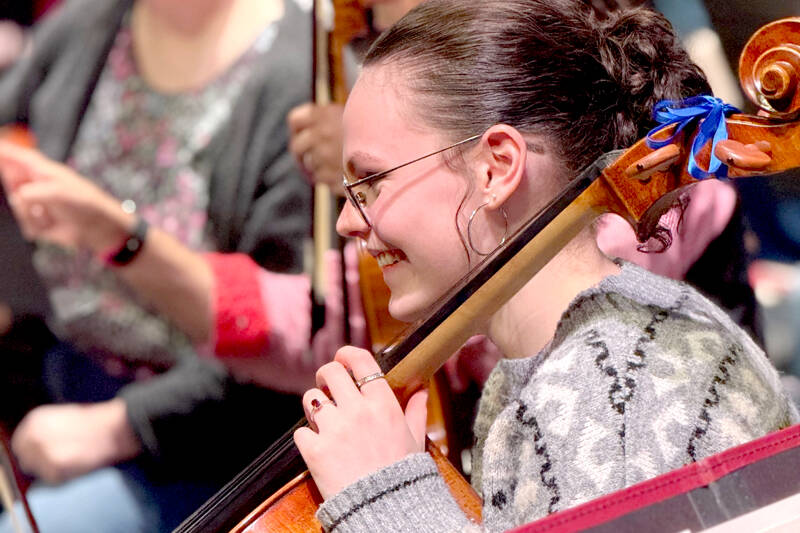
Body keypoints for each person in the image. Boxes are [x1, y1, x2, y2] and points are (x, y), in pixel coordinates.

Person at [291, 1, 800, 531]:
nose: (348, 220)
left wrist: (387, 499)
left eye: (372, 183)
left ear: (497, 168)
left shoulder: (612, 390)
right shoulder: (570, 360)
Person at [0, 0, 317, 531]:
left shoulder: (298, 77)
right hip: (53, 371)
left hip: (205, 432)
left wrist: (124, 424)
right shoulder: (90, 24)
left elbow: (299, 344)